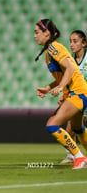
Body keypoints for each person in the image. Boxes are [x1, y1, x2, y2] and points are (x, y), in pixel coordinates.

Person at [34, 19, 87, 169]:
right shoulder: (49, 51)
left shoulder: (53, 48)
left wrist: (61, 87)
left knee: (52, 125)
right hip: (79, 91)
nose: (34, 36)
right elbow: (63, 73)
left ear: (47, 33)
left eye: (37, 32)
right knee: (78, 128)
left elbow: (70, 68)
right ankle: (80, 157)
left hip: (77, 92)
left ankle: (79, 157)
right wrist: (48, 87)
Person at [59, 29, 87, 164]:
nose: (71, 44)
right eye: (70, 41)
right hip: (78, 97)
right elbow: (68, 80)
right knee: (71, 128)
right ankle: (72, 155)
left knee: (75, 128)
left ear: (84, 43)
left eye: (75, 41)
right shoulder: (70, 61)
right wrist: (64, 95)